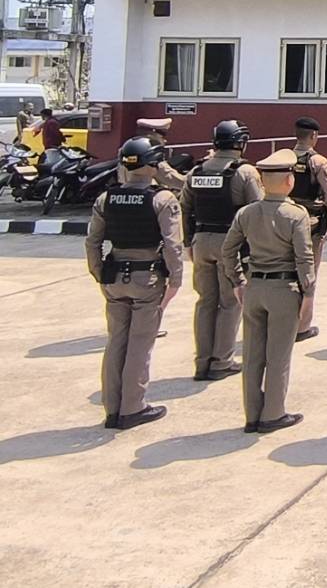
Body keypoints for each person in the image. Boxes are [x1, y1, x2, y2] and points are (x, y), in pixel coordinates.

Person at [85, 137, 184, 429]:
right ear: (153, 164)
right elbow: (172, 245)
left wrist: (98, 272)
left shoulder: (106, 198)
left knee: (116, 341)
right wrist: (175, 280)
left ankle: (112, 408)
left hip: (113, 277)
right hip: (147, 279)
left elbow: (92, 241)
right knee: (140, 344)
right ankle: (132, 408)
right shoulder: (162, 199)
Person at [221, 148, 314, 434]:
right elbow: (304, 258)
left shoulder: (246, 213)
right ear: (289, 181)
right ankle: (273, 413)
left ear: (262, 181)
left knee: (252, 355)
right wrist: (309, 293)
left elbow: (228, 250)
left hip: (255, 287)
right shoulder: (296, 214)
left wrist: (237, 281)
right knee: (278, 355)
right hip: (284, 289)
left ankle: (252, 414)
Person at [181, 119, 263, 382]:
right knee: (230, 303)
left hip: (201, 241)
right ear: (241, 143)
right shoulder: (245, 172)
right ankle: (222, 362)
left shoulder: (197, 171)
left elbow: (185, 208)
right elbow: (257, 210)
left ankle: (202, 362)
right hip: (231, 244)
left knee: (205, 302)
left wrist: (188, 242)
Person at [288, 117, 327, 342]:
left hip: (285, 219)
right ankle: (302, 327)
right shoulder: (318, 161)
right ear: (314, 136)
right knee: (308, 274)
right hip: (311, 223)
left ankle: (282, 321)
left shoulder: (284, 158)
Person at [137, 117, 186, 192]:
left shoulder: (126, 151)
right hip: (148, 196)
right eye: (162, 137)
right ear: (151, 137)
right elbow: (179, 182)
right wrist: (200, 167)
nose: (165, 140)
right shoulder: (151, 157)